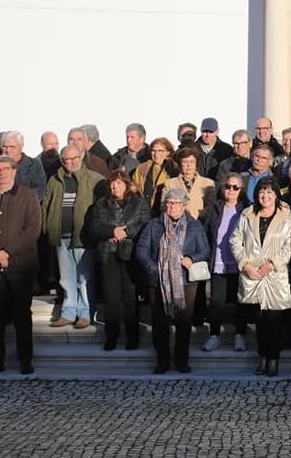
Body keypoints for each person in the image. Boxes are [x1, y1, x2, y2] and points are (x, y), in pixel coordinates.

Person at [0, 156, 42, 377]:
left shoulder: (28, 196)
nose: (1, 173)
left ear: (14, 171)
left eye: (5, 169)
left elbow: (32, 230)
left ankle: (25, 360)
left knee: (22, 315)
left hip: (20, 265)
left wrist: (7, 252)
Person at [136, 187, 210, 374]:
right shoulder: (154, 225)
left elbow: (205, 250)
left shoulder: (194, 226)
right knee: (159, 323)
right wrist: (154, 268)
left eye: (176, 203)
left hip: (186, 282)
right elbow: (141, 250)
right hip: (158, 281)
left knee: (183, 323)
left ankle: (182, 359)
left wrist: (191, 258)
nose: (171, 207)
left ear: (183, 205)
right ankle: (162, 360)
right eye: (168, 203)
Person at [230, 177, 291, 377]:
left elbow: (289, 246)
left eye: (269, 192)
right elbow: (235, 240)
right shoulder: (247, 214)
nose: (265, 196)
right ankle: (262, 356)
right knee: (259, 320)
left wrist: (272, 264)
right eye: (261, 192)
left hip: (274, 275)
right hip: (253, 275)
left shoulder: (286, 216)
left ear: (276, 195)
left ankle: (273, 358)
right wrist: (246, 264)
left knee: (274, 320)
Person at [84, 170, 150, 351]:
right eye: (112, 183)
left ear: (127, 185)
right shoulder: (100, 205)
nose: (115, 187)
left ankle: (132, 337)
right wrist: (112, 232)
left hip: (131, 254)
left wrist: (125, 233)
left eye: (119, 183)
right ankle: (111, 337)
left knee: (130, 297)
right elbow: (94, 227)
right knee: (111, 298)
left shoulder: (138, 203)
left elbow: (145, 223)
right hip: (109, 254)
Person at [42, 145, 105, 329]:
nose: (71, 162)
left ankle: (85, 313)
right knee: (66, 277)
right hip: (60, 235)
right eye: (66, 160)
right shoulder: (55, 180)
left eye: (74, 158)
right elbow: (46, 204)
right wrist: (47, 227)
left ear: (82, 156)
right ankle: (68, 312)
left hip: (83, 237)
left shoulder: (94, 179)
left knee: (84, 277)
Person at [199, 173, 249, 352]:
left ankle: (240, 335)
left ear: (241, 190)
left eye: (236, 187)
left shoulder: (246, 209)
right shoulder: (216, 208)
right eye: (228, 186)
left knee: (240, 301)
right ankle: (214, 335)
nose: (231, 190)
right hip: (218, 260)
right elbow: (206, 232)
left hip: (239, 261)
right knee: (216, 301)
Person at [0, 131, 47, 200]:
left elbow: (40, 189)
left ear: (21, 146)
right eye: (4, 147)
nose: (8, 150)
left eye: (12, 147)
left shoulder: (34, 165)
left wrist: (22, 201)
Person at [171, 148, 217, 220]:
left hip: (200, 223)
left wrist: (199, 214)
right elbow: (164, 206)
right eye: (185, 162)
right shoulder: (170, 184)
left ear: (196, 164)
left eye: (192, 162)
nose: (189, 165)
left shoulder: (208, 183)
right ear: (180, 164)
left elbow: (211, 207)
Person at [134, 137, 174, 209]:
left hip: (163, 210)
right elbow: (133, 185)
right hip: (143, 210)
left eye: (160, 151)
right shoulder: (142, 168)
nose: (156, 154)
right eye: (153, 151)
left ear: (168, 152)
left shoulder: (173, 168)